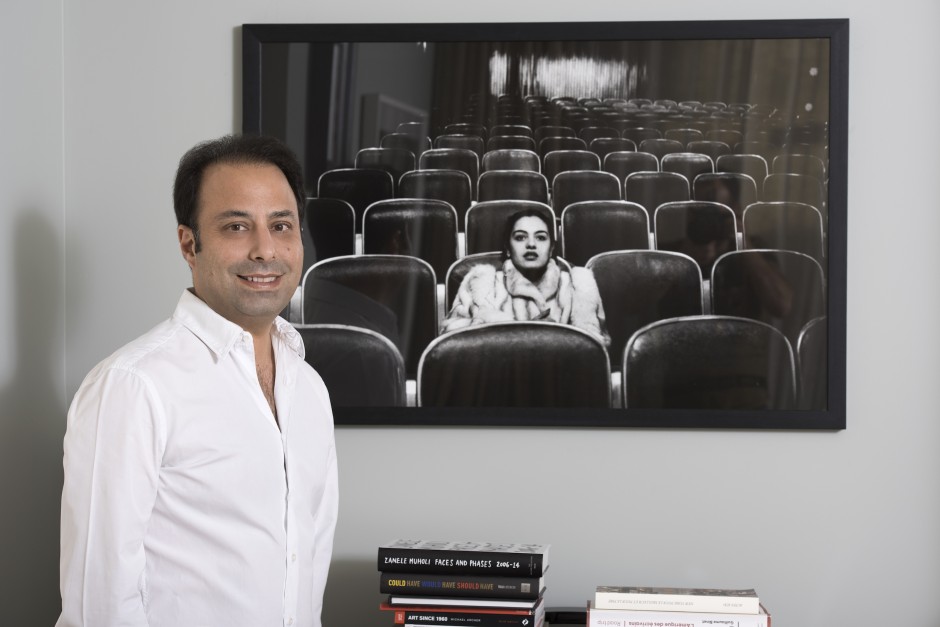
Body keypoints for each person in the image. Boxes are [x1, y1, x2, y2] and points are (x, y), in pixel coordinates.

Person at [57, 135, 338, 627]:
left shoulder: (310, 388)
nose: (265, 250)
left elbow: (306, 576)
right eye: (236, 226)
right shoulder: (133, 386)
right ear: (190, 244)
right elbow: (96, 605)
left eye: (281, 226)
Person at [443, 208, 609, 346]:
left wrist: (560, 337)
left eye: (541, 237)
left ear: (551, 248)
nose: (531, 244)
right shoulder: (482, 284)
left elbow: (595, 352)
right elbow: (451, 344)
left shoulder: (577, 288)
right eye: (520, 237)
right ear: (508, 248)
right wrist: (523, 334)